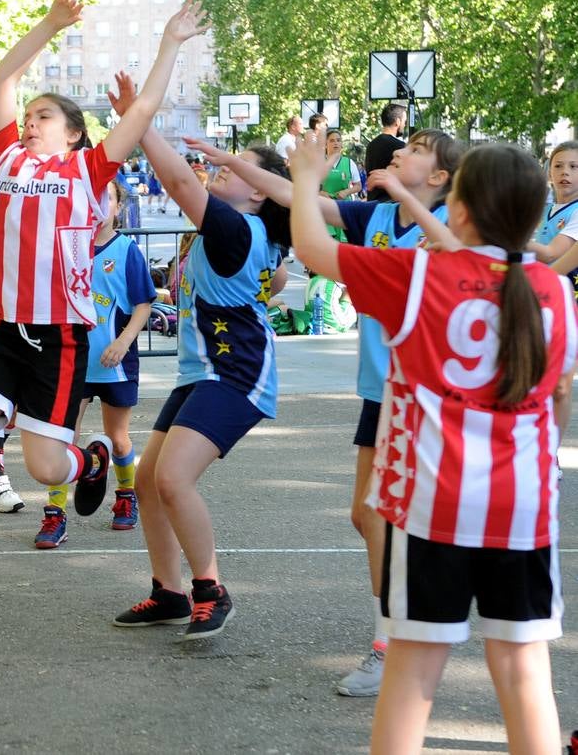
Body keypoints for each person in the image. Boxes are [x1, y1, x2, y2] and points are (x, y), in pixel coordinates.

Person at [0, 0, 208, 610]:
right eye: (30, 114)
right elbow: (3, 76)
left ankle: (91, 462)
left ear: (74, 135)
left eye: (45, 116)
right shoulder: (3, 158)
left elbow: (147, 105)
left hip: (56, 338)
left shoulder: (90, 171)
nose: (31, 120)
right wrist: (51, 23)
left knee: (48, 469)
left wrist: (172, 42)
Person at [289, 134, 576, 755]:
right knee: (526, 674)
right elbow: (559, 398)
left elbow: (312, 247)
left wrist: (307, 177)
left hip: (433, 505)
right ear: (533, 217)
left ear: (460, 208)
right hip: (521, 509)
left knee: (413, 673)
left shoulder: (418, 274)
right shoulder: (553, 292)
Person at [197, 128, 462, 693]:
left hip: (423, 394)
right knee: (369, 516)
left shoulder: (449, 233)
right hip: (381, 390)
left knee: (388, 518)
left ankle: (396, 644)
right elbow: (298, 197)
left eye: (415, 151)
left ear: (440, 178)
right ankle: (404, 628)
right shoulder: (378, 219)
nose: (400, 152)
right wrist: (232, 163)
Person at [111, 72, 290, 640]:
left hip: (236, 372)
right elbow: (279, 278)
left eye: (236, 166)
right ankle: (168, 592)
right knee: (146, 481)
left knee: (173, 479)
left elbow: (174, 177)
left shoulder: (236, 227)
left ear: (259, 189)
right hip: (204, 369)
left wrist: (139, 120)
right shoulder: (240, 232)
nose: (220, 166)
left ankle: (210, 588)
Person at [34, 178, 157, 547]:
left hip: (115, 361)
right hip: (74, 360)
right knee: (62, 439)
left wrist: (123, 341)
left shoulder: (126, 250)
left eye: (109, 199)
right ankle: (55, 515)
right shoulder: (68, 247)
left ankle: (125, 496)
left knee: (119, 439)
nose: (100, 205)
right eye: (93, 198)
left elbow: (143, 305)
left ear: (119, 208)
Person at [529, 141, 578, 292]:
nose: (565, 172)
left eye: (573, 166)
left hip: (566, 294)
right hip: (545, 289)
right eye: (558, 166)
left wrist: (503, 239)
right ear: (549, 173)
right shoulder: (544, 210)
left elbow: (549, 254)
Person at [320, 129, 362, 241]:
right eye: (332, 140)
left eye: (338, 140)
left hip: (343, 208)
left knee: (344, 243)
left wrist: (347, 191)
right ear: (325, 144)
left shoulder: (349, 163)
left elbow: (358, 186)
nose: (336, 143)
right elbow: (308, 186)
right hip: (324, 207)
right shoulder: (318, 163)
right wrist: (320, 192)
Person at [364, 104, 407, 201]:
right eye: (404, 121)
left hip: (372, 202)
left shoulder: (371, 145)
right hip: (391, 203)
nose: (405, 125)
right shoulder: (401, 147)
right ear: (397, 121)